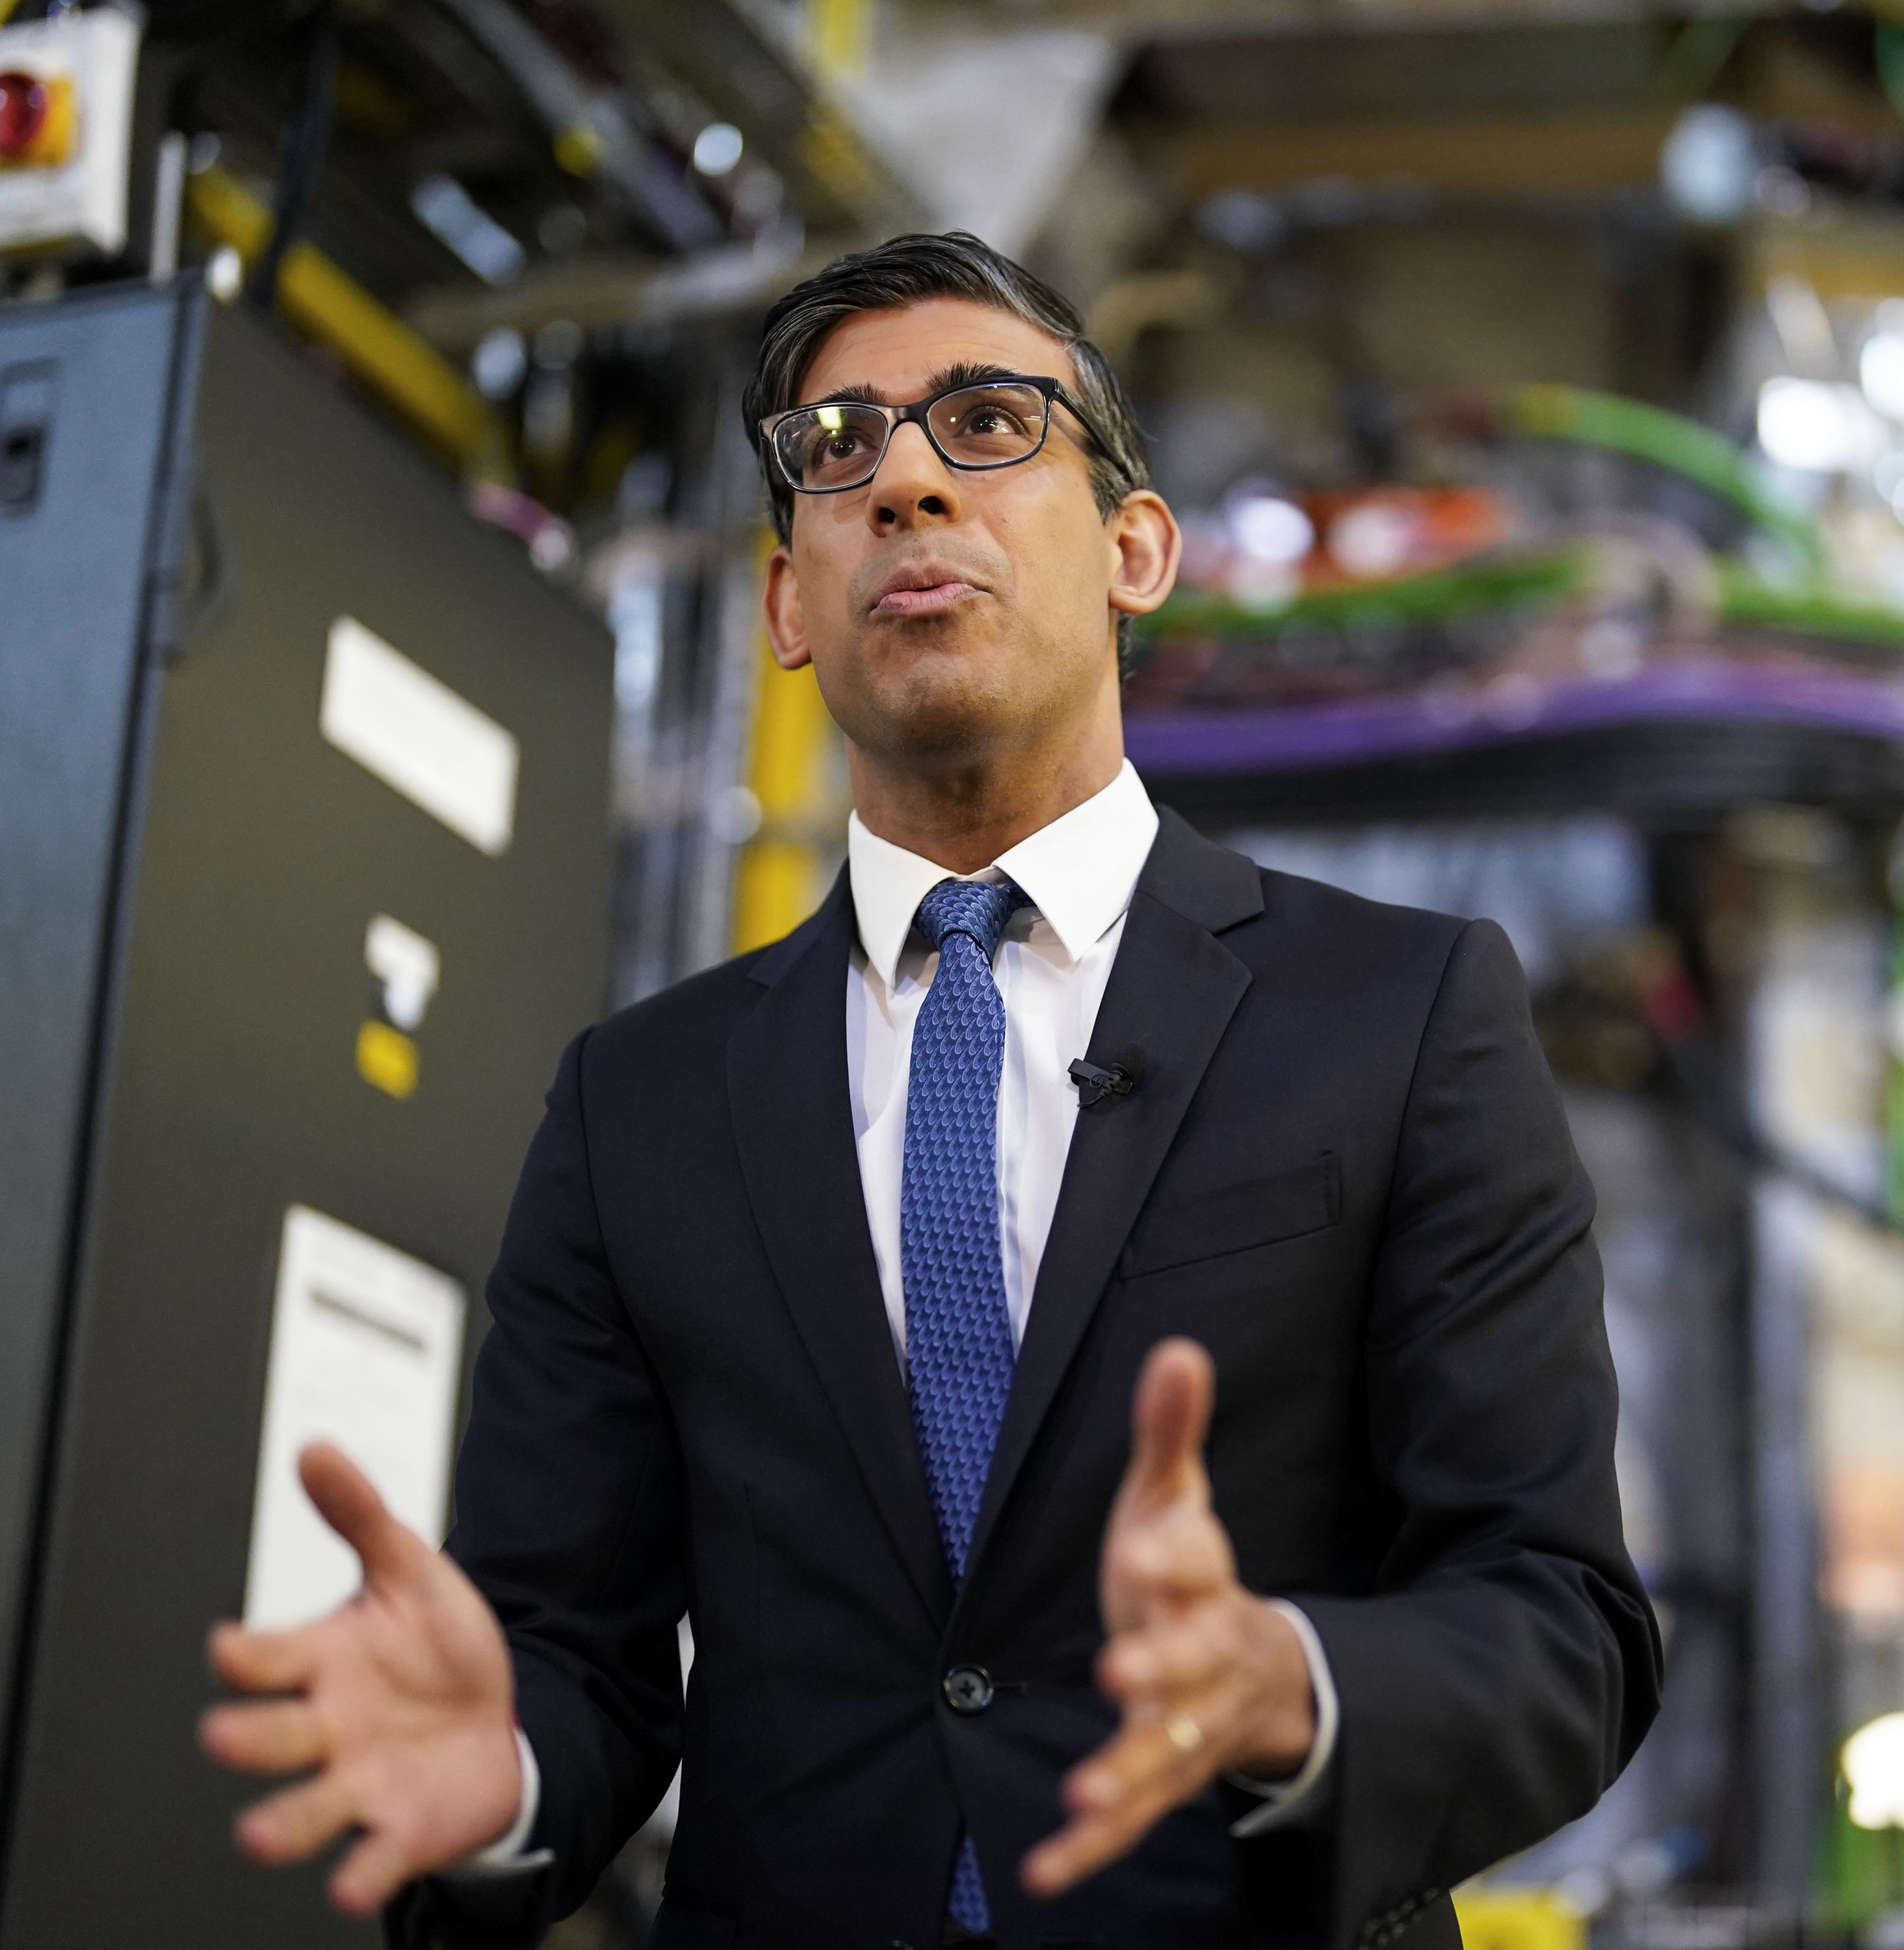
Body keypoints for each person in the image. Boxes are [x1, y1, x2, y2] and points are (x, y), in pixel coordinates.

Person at [200, 231, 1659, 1950]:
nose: (898, 479)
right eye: (835, 451)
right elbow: (570, 1654)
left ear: (1135, 550)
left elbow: (1557, 1618)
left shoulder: (1400, 1013)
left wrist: (1290, 1677)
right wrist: (507, 1769)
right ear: (783, 606)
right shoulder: (638, 1105)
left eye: (983, 423)